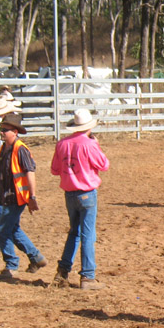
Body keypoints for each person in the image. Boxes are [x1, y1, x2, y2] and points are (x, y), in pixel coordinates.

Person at [50, 109, 110, 290]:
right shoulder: (89, 144)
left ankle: (63, 271)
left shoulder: (62, 144)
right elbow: (104, 164)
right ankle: (88, 276)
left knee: (74, 232)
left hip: (70, 192)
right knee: (88, 234)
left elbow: (54, 169)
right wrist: (96, 145)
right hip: (87, 192)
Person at [0, 113, 46, 280]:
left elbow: (30, 172)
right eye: (1, 129)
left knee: (3, 231)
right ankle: (36, 258)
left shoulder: (20, 149)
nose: (2, 132)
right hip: (5, 197)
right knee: (13, 229)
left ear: (15, 132)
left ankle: (11, 266)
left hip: (15, 197)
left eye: (5, 130)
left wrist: (32, 197)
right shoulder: (4, 148)